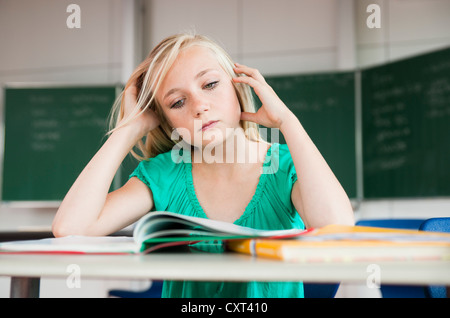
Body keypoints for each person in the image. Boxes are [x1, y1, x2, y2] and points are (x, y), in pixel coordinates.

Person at [52, 33, 354, 297]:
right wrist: (127, 130)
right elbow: (70, 228)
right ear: (167, 120)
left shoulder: (285, 166)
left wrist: (287, 121)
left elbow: (337, 228)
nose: (199, 106)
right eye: (177, 103)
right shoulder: (164, 174)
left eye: (210, 84)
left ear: (238, 88)